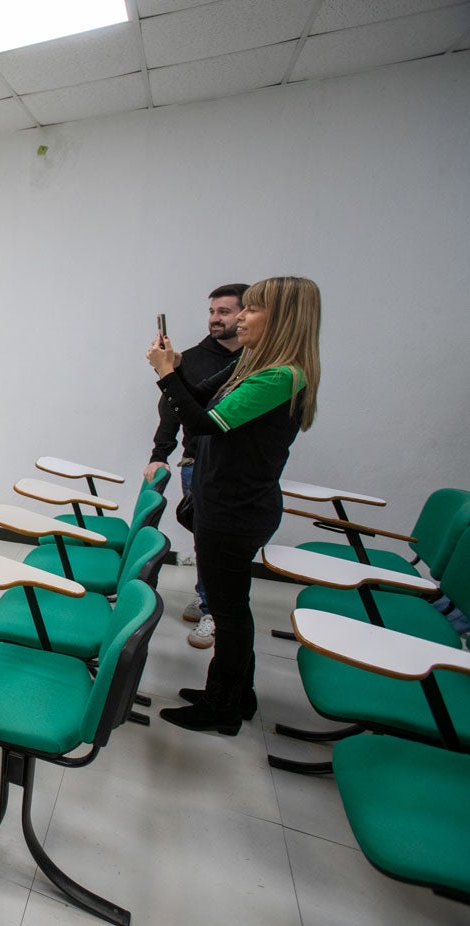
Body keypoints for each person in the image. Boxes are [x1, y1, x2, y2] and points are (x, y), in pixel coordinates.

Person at [145, 277, 321, 735]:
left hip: (236, 508)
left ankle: (222, 708)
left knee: (228, 611)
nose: (239, 317)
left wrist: (166, 374)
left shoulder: (282, 376)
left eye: (251, 310)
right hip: (222, 499)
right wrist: (173, 369)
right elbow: (196, 399)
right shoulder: (252, 362)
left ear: (281, 318)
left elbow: (202, 424)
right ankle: (236, 695)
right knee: (230, 607)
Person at [144, 283, 246, 649]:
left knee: (219, 544)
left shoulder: (256, 363)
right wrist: (160, 453)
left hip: (233, 470)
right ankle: (208, 600)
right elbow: (176, 409)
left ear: (245, 315)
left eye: (225, 312)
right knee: (205, 539)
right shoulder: (194, 359)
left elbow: (211, 419)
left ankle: (213, 608)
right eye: (212, 312)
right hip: (196, 463)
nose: (215, 319)